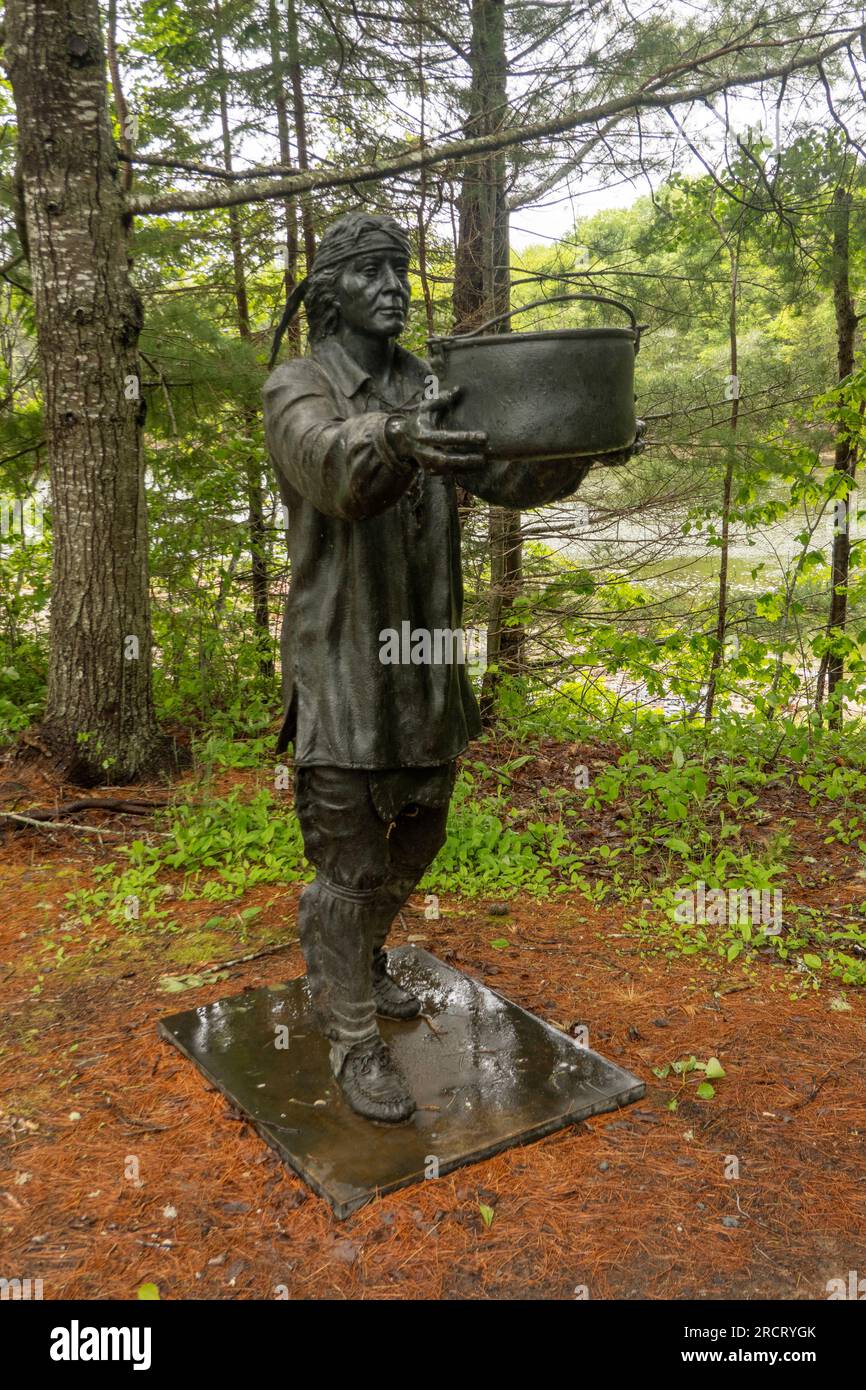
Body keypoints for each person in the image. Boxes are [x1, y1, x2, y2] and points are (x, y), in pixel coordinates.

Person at [263, 210, 632, 1123]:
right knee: (347, 864)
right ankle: (350, 1036)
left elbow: (501, 472)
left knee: (422, 828)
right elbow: (327, 468)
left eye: (402, 269)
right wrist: (392, 438)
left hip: (424, 660)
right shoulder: (299, 385)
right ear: (330, 291)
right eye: (374, 271)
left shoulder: (430, 379)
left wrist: (577, 445)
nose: (396, 285)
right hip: (342, 664)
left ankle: (357, 957)